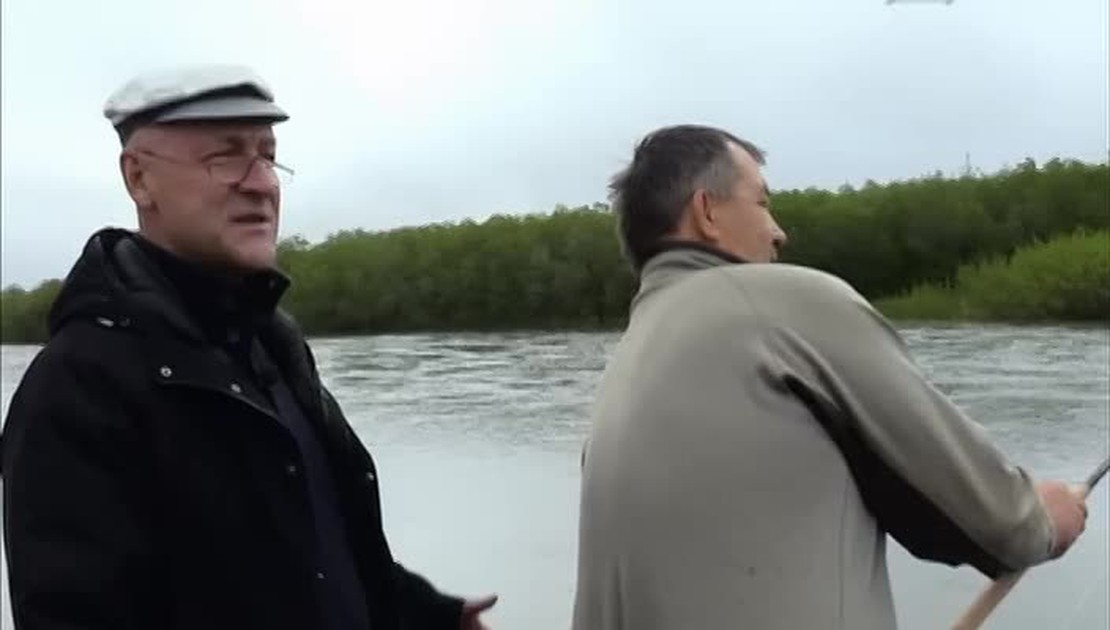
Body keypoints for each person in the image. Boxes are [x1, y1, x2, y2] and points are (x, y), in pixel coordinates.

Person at [0, 64, 496, 630]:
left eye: (268, 155)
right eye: (227, 157)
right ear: (139, 179)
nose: (261, 183)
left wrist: (425, 615)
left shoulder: (274, 346)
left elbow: (317, 551)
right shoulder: (77, 389)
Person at [570, 124, 1089, 629]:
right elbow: (994, 518)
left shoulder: (627, 362)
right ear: (707, 212)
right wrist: (1044, 518)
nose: (779, 232)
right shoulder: (787, 303)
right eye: (762, 203)